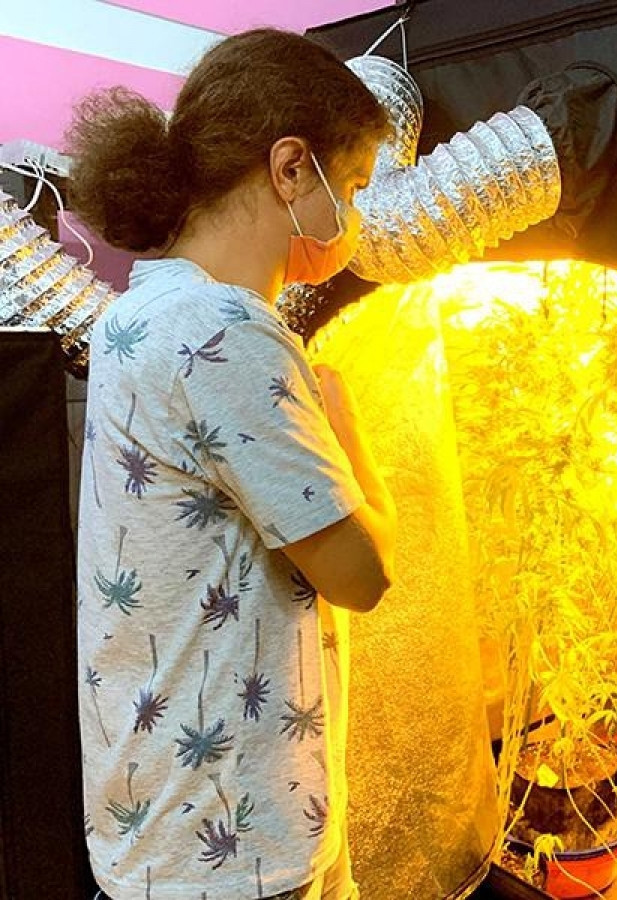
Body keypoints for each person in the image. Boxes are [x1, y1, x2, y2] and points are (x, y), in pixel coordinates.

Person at [70, 29, 397, 900]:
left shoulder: (136, 311)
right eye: (355, 184)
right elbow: (361, 573)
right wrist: (343, 422)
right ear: (292, 169)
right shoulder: (227, 333)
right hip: (232, 852)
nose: (356, 216)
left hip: (156, 826)